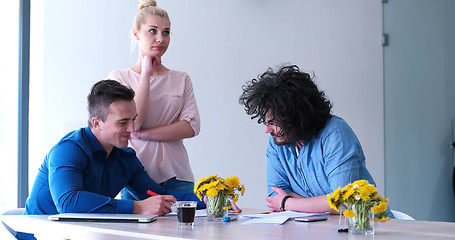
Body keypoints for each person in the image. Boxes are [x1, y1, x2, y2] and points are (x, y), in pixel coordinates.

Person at [24, 80, 204, 216]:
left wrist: (210, 200)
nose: (133, 129)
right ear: (97, 123)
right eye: (123, 122)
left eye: (133, 119)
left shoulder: (126, 158)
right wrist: (137, 207)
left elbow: (159, 195)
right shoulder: (68, 150)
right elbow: (68, 203)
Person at [239, 65, 390, 215]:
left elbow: (343, 202)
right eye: (266, 122)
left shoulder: (335, 134)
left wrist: (289, 202)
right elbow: (275, 197)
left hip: (368, 229)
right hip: (320, 229)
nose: (267, 130)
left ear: (296, 117)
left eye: (272, 123)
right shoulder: (277, 142)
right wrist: (320, 202)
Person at [107, 0, 199, 198]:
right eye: (153, 31)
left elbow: (192, 127)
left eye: (166, 32)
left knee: (183, 228)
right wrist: (146, 74)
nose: (160, 38)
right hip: (135, 177)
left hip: (179, 176)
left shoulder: (181, 78)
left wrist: (143, 135)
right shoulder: (119, 78)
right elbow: (135, 123)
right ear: (136, 34)